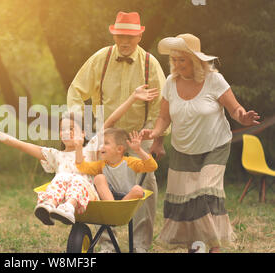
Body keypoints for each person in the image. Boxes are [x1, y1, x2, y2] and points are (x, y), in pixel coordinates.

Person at [140, 33, 260, 252]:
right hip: (183, 151)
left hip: (215, 147)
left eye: (181, 60)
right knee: (186, 201)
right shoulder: (170, 82)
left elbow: (235, 109)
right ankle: (195, 246)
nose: (176, 65)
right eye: (173, 60)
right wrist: (155, 135)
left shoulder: (214, 80)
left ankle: (214, 247)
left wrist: (242, 117)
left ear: (195, 60)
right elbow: (164, 118)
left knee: (205, 193)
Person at [67, 11, 169, 252]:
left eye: (130, 37)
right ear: (114, 34)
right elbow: (76, 91)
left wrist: (158, 139)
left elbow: (162, 106)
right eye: (120, 36)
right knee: (100, 184)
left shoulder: (149, 64)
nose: (125, 42)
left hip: (138, 137)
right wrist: (77, 124)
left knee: (146, 187)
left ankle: (141, 245)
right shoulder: (100, 59)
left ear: (140, 36)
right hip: (106, 135)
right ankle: (106, 244)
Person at [0, 112, 98, 226]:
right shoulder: (55, 155)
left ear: (83, 132)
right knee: (59, 178)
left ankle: (69, 207)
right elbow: (19, 144)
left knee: (75, 178)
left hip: (87, 196)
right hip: (63, 197)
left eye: (71, 128)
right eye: (62, 129)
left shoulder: (90, 151)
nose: (66, 132)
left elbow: (110, 125)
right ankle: (49, 205)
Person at [76, 128, 157, 201]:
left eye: (106, 143)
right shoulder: (102, 165)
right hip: (108, 197)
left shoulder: (130, 162)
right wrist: (79, 146)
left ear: (119, 149)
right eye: (101, 143)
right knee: (99, 178)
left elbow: (152, 166)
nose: (101, 146)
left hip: (127, 197)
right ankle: (113, 206)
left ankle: (119, 207)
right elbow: (82, 167)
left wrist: (139, 150)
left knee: (138, 190)